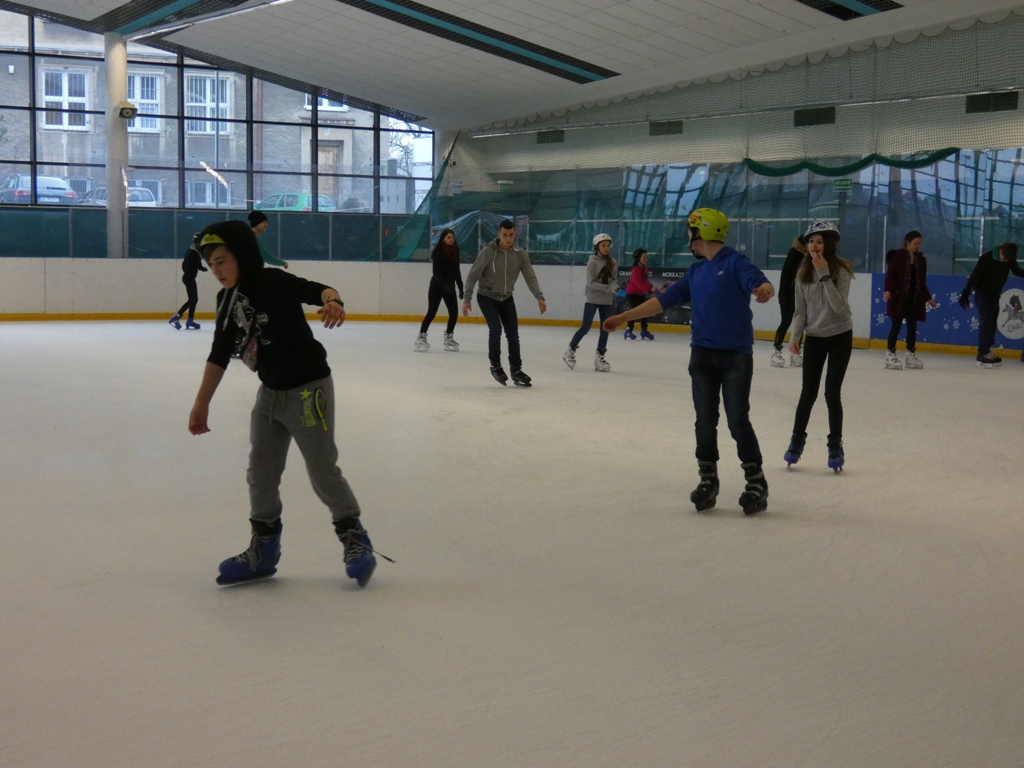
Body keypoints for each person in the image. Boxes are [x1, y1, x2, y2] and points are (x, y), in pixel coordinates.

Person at [188, 220, 386, 587]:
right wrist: (202, 403)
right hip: (270, 396)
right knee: (260, 473)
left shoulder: (274, 282)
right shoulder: (226, 301)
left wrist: (333, 301)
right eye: (211, 264)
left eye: (221, 261)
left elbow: (318, 290)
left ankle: (355, 539)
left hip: (309, 391)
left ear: (242, 256)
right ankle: (263, 551)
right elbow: (219, 352)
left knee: (322, 471)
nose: (215, 270)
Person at [603, 208, 775, 515]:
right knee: (705, 421)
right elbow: (661, 302)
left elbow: (759, 282)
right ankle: (708, 480)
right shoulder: (695, 272)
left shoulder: (735, 262)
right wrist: (622, 317)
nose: (689, 239)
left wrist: (764, 290)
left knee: (737, 420)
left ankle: (756, 482)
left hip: (735, 356)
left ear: (702, 232)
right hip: (702, 356)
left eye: (691, 232)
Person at [783, 221, 854, 473]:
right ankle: (796, 442)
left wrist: (824, 275)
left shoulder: (842, 270)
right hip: (814, 337)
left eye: (819, 241)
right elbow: (800, 311)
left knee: (832, 393)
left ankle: (835, 446)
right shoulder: (803, 272)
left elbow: (839, 306)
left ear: (829, 244)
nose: (814, 246)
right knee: (808, 393)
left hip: (840, 336)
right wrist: (795, 338)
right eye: (811, 241)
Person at [462, 219, 547, 387]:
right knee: (495, 329)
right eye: (505, 235)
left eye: (511, 235)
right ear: (498, 234)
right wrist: (467, 299)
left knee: (513, 334)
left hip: (506, 298)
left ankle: (516, 369)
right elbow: (473, 275)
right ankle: (495, 365)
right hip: (486, 297)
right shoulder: (488, 252)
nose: (508, 238)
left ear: (515, 235)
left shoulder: (520, 254)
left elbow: (530, 277)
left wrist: (539, 297)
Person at [958, 242, 1024, 367]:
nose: (1006, 262)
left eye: (1009, 260)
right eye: (1005, 258)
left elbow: (1016, 271)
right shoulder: (986, 259)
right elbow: (974, 276)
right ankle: (982, 355)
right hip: (983, 294)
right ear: (1000, 252)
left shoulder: (1009, 257)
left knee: (992, 324)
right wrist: (965, 294)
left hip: (995, 295)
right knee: (986, 323)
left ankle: (987, 351)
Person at [883, 230, 937, 370]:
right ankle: (890, 354)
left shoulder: (920, 260)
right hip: (898, 298)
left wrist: (928, 298)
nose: (917, 246)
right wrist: (887, 290)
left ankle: (910, 354)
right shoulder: (898, 257)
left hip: (914, 299)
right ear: (908, 242)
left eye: (919, 243)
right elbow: (890, 275)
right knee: (896, 326)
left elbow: (921, 282)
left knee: (912, 327)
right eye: (915, 243)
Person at [563, 233, 617, 372]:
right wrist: (608, 288)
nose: (606, 248)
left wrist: (615, 286)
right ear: (596, 247)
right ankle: (570, 350)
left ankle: (600, 356)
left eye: (608, 245)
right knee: (585, 327)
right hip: (592, 299)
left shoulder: (613, 262)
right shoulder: (592, 262)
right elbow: (591, 283)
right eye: (603, 245)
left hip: (607, 300)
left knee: (605, 329)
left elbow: (614, 279)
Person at [415, 228, 464, 352]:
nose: (451, 239)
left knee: (454, 313)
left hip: (450, 287)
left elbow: (457, 270)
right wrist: (444, 285)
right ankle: (421, 337)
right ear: (443, 239)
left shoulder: (456, 250)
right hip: (437, 286)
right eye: (448, 237)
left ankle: (449, 337)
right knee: (432, 312)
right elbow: (436, 272)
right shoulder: (437, 251)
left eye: (452, 237)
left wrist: (460, 286)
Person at [770, 235, 807, 368]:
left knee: (800, 323)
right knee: (786, 321)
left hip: (801, 295)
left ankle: (795, 353)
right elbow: (785, 274)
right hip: (788, 294)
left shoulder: (808, 256)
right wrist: (783, 294)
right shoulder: (794, 254)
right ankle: (776, 351)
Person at [168, 232, 207, 330]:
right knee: (193, 299)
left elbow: (184, 264)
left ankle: (190, 320)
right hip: (189, 278)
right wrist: (202, 268)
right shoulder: (194, 253)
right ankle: (177, 316)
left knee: (194, 299)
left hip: (188, 277)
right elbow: (196, 264)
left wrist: (191, 271)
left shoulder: (190, 251)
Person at [623, 248, 657, 341]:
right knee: (635, 312)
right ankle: (628, 330)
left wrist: (651, 291)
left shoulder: (645, 269)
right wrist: (649, 292)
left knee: (645, 311)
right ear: (638, 258)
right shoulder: (635, 270)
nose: (646, 259)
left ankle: (644, 330)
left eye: (646, 257)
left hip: (640, 294)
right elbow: (639, 284)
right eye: (644, 258)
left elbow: (646, 282)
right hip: (632, 294)